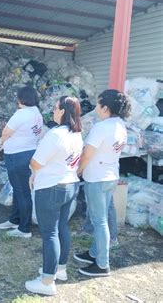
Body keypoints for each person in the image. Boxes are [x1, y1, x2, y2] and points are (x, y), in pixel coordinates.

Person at [25, 96, 83, 296]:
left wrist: (33, 171)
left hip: (51, 186)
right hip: (70, 184)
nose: (53, 111)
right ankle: (60, 269)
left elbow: (36, 162)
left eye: (55, 108)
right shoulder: (76, 133)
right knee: (61, 228)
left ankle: (47, 281)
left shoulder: (55, 134)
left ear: (63, 112)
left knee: (49, 233)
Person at [74, 89, 130, 277]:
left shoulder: (102, 127)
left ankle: (102, 264)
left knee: (100, 221)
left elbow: (88, 153)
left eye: (98, 104)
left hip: (97, 177)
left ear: (105, 108)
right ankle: (94, 253)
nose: (96, 107)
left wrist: (78, 171)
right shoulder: (120, 125)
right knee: (103, 216)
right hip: (110, 175)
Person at [0, 86, 43, 238]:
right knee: (19, 189)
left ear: (22, 98)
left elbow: (6, 132)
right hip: (28, 153)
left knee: (22, 192)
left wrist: (1, 141)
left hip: (17, 156)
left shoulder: (22, 113)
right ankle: (15, 219)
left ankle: (24, 229)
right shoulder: (37, 113)